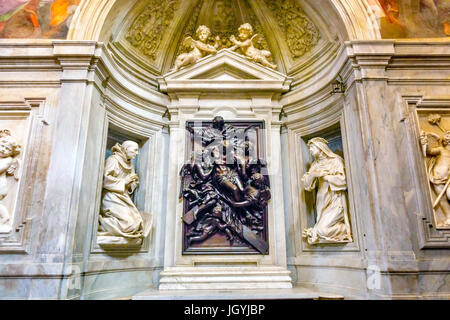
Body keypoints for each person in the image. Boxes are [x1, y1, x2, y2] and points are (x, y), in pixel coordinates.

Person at [301, 137, 352, 244]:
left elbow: (344, 180)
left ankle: (344, 229)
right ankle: (317, 231)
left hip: (335, 199)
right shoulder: (315, 165)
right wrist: (314, 174)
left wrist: (326, 177)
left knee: (322, 229)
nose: (310, 150)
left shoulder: (335, 161)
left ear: (320, 148)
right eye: (309, 148)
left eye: (312, 147)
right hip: (322, 199)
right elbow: (306, 185)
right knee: (322, 225)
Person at [98, 141, 145, 239]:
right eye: (135, 150)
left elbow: (128, 187)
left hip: (123, 197)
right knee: (129, 224)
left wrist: (133, 182)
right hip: (111, 197)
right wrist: (125, 181)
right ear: (126, 149)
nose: (137, 153)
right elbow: (104, 180)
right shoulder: (113, 160)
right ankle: (100, 222)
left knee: (137, 223)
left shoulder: (130, 165)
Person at [0, 129, 21, 227]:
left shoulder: (8, 160)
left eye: (7, 149)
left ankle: (5, 217)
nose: (3, 149)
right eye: (2, 146)